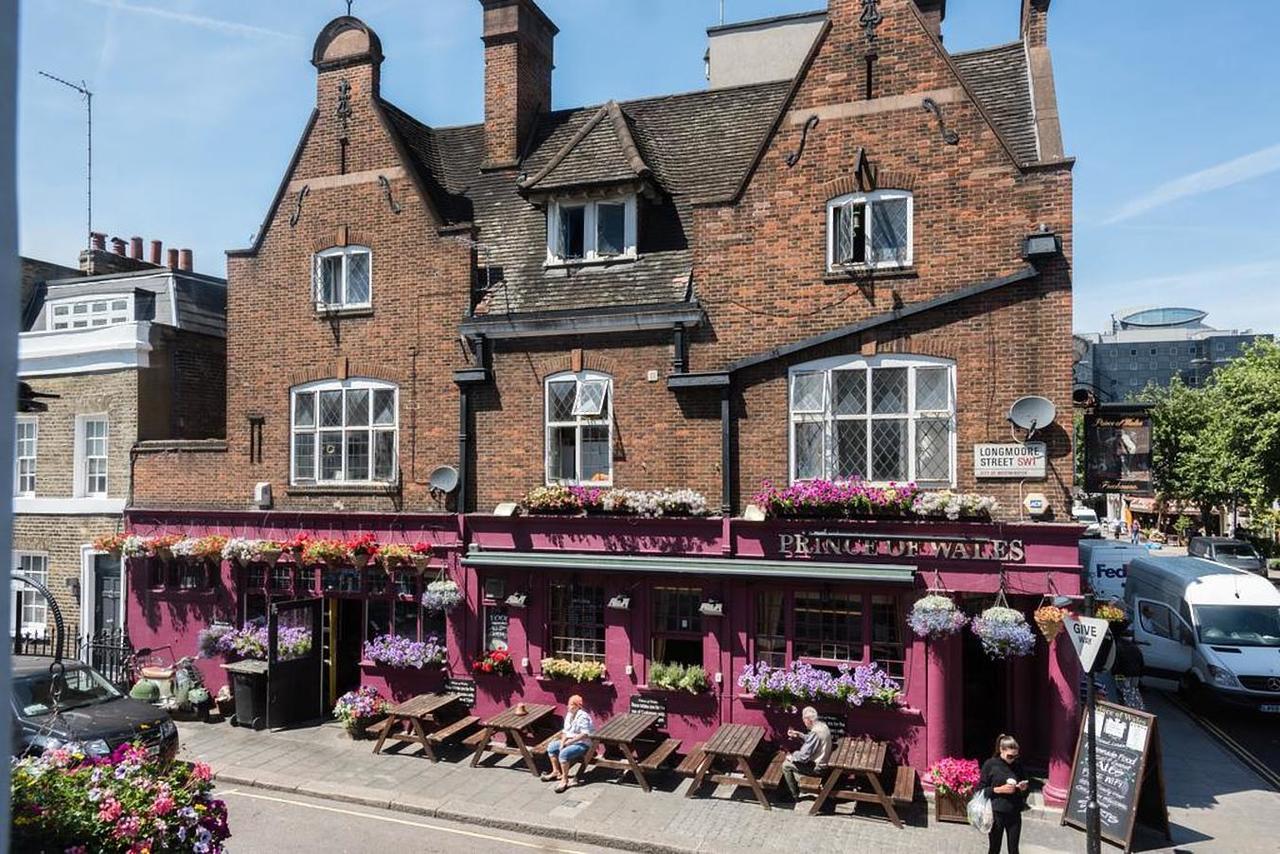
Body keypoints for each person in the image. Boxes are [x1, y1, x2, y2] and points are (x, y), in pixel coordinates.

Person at [980, 734, 1029, 854]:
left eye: (1015, 756)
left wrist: (1023, 788)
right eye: (1010, 756)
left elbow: (1026, 788)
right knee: (994, 848)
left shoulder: (1018, 766)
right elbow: (980, 790)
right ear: (1001, 750)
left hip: (1014, 812)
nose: (1012, 759)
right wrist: (999, 789)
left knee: (1014, 849)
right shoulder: (990, 765)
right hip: (997, 813)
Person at [540, 694, 594, 793]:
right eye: (568, 704)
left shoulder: (583, 716)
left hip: (583, 743)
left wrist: (570, 742)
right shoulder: (569, 714)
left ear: (577, 706)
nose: (568, 706)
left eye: (570, 705)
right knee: (552, 747)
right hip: (569, 740)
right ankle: (556, 771)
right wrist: (562, 742)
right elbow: (565, 731)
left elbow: (585, 734)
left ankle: (564, 779)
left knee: (563, 753)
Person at [780, 706, 832, 802]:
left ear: (808, 720)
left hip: (818, 768)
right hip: (824, 761)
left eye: (804, 720)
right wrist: (799, 735)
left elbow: (803, 757)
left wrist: (791, 757)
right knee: (792, 760)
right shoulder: (822, 726)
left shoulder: (815, 733)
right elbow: (812, 741)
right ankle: (796, 783)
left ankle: (793, 796)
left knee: (786, 765)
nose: (804, 723)